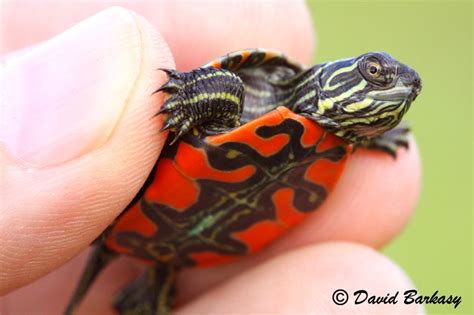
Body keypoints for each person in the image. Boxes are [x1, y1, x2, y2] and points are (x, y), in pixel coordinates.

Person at [0, 2, 422, 314]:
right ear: (330, 77)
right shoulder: (264, 90)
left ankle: (150, 292)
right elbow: (220, 87)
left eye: (405, 91)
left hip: (181, 246)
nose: (395, 87)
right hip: (121, 205)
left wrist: (371, 134)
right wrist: (187, 98)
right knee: (227, 92)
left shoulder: (343, 139)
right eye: (376, 75)